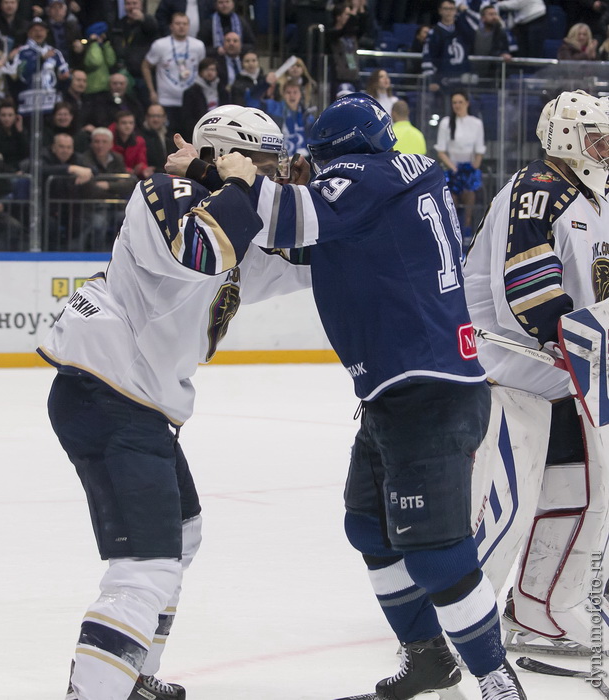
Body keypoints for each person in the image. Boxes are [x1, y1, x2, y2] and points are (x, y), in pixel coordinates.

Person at [170, 92, 526, 700]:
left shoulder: (365, 176)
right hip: (403, 392)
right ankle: (428, 661)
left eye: (312, 161)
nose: (305, 171)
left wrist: (214, 171)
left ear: (336, 153)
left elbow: (289, 219)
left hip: (426, 393)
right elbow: (296, 242)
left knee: (437, 552)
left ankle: (498, 680)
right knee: (369, 526)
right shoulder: (398, 184)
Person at [37, 104, 311, 700]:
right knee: (145, 567)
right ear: (221, 159)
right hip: (107, 392)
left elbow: (306, 261)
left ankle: (131, 677)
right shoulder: (167, 190)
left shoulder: (238, 216)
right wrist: (230, 181)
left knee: (181, 536)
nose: (272, 177)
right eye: (261, 163)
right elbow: (199, 252)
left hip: (136, 400)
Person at [464, 89, 609, 652]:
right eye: (597, 137)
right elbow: (526, 289)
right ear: (568, 137)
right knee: (500, 507)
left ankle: (536, 609)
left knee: (576, 489)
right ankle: (458, 622)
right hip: (509, 372)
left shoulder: (594, 196)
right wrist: (576, 342)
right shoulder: (537, 190)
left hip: (560, 378)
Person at [141, 11, 206, 133]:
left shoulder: (198, 46)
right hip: (167, 99)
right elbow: (145, 66)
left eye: (184, 23)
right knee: (170, 134)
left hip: (191, 100)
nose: (181, 26)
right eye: (178, 23)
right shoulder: (160, 45)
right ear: (171, 26)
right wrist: (152, 91)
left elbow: (203, 68)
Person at [434, 90, 485, 238]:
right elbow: (441, 151)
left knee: (469, 205)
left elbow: (479, 151)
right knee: (452, 207)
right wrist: (454, 168)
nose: (457, 105)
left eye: (460, 102)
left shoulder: (476, 123)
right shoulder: (445, 123)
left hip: (469, 170)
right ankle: (453, 236)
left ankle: (468, 235)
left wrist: (473, 168)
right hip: (452, 169)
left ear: (467, 103)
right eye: (454, 102)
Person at [8, 17, 70, 119]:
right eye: (35, 30)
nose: (39, 33)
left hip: (50, 104)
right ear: (29, 33)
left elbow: (65, 74)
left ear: (46, 32)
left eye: (41, 30)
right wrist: (41, 60)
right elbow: (22, 75)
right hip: (28, 105)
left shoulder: (55, 52)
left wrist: (64, 77)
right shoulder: (21, 52)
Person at [421, 0, 477, 94]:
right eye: (446, 9)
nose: (449, 12)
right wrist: (431, 80)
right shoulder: (434, 33)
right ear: (440, 11)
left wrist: (464, 11)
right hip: (442, 81)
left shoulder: (462, 29)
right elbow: (427, 57)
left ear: (456, 11)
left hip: (462, 79)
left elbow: (478, 25)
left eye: (452, 9)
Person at [110, 0, 159, 105]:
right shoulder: (120, 23)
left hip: (141, 76)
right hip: (124, 73)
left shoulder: (147, 21)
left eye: (134, 3)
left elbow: (153, 29)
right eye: (128, 4)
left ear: (141, 5)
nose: (131, 7)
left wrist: (142, 19)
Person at [181, 56, 228, 140]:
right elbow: (187, 119)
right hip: (199, 133)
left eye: (212, 69)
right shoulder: (190, 93)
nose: (210, 72)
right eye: (206, 69)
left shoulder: (223, 91)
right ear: (200, 72)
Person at [108, 109, 154, 180]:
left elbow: (141, 162)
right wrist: (127, 170)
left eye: (131, 123)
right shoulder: (108, 140)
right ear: (116, 125)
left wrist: (143, 169)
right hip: (112, 176)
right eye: (124, 123)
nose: (128, 126)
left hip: (132, 177)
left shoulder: (139, 141)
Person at [0, 98, 30, 170]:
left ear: (15, 116)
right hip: (2, 169)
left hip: (21, 168)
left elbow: (27, 153)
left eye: (10, 115)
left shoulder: (21, 131)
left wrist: (20, 132)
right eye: (3, 115)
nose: (7, 119)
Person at [140, 103, 174, 173]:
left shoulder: (170, 136)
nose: (155, 119)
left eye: (159, 116)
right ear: (146, 117)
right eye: (152, 116)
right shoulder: (139, 136)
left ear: (164, 118)